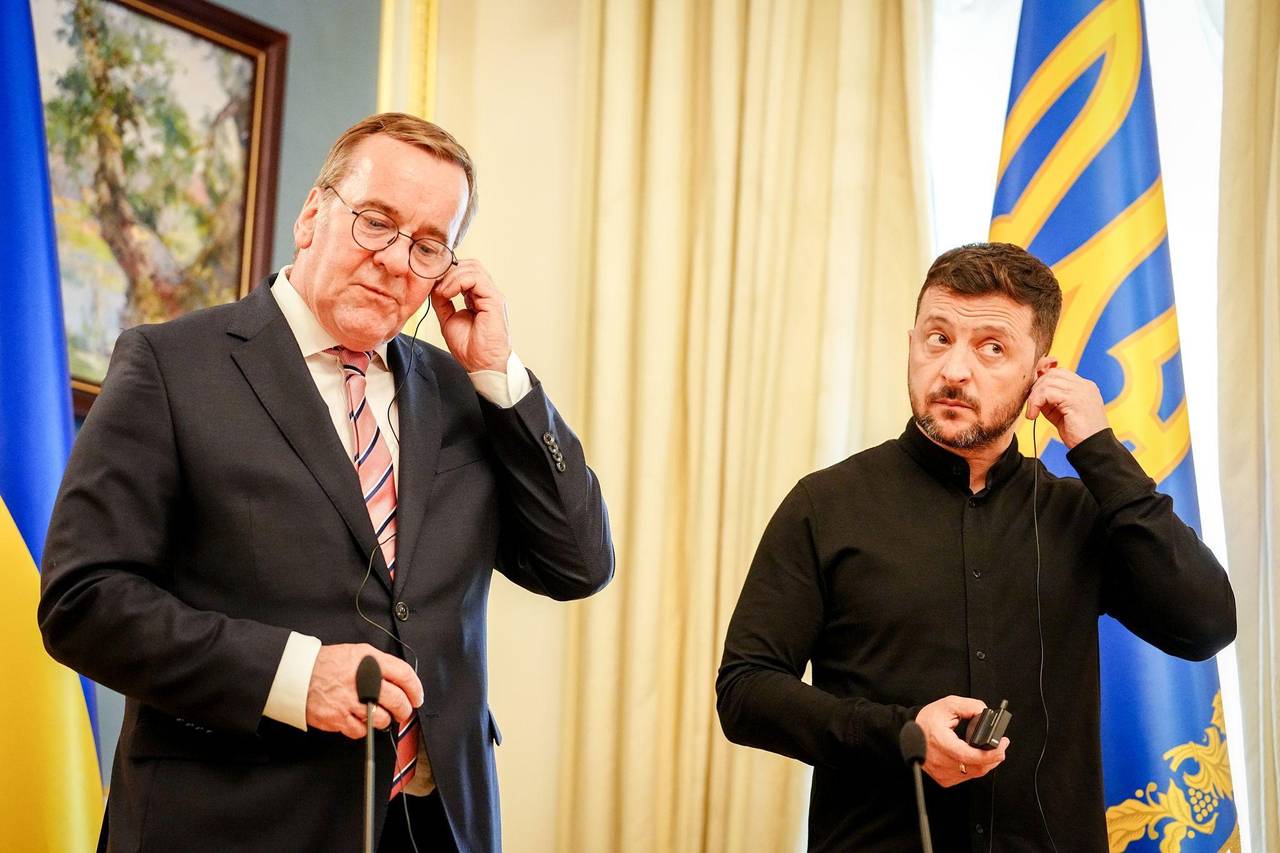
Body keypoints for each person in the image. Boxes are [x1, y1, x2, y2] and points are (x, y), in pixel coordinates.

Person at [39, 112, 614, 853]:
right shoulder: (170, 365)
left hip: (435, 826)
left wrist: (502, 376)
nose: (396, 261)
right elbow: (83, 600)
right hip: (234, 823)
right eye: (376, 222)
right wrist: (294, 674)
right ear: (312, 214)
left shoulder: (465, 390)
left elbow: (578, 564)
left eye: (428, 245)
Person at [715, 242, 1235, 851]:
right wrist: (901, 734)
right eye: (938, 339)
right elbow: (745, 691)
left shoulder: (1079, 514)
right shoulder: (825, 505)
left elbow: (1205, 624)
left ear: (1041, 374)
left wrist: (1098, 448)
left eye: (992, 348)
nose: (955, 370)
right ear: (912, 344)